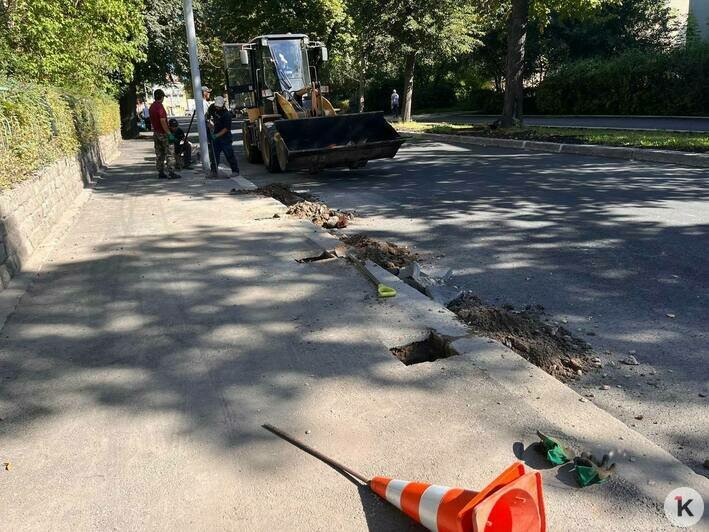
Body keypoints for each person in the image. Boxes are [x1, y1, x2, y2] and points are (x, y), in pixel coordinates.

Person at [149, 89, 180, 179]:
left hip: (156, 133)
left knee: (159, 154)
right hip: (163, 133)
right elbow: (162, 121)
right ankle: (171, 172)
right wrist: (169, 133)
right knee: (170, 153)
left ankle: (161, 172)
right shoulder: (160, 107)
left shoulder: (151, 107)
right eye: (163, 97)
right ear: (161, 97)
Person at [209, 96, 239, 178]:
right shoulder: (212, 107)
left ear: (223, 105)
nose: (217, 108)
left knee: (229, 154)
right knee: (214, 155)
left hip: (225, 137)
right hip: (216, 134)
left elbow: (226, 129)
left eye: (219, 107)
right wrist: (209, 122)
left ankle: (235, 171)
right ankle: (213, 171)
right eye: (216, 106)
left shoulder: (227, 115)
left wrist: (216, 135)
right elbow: (208, 116)